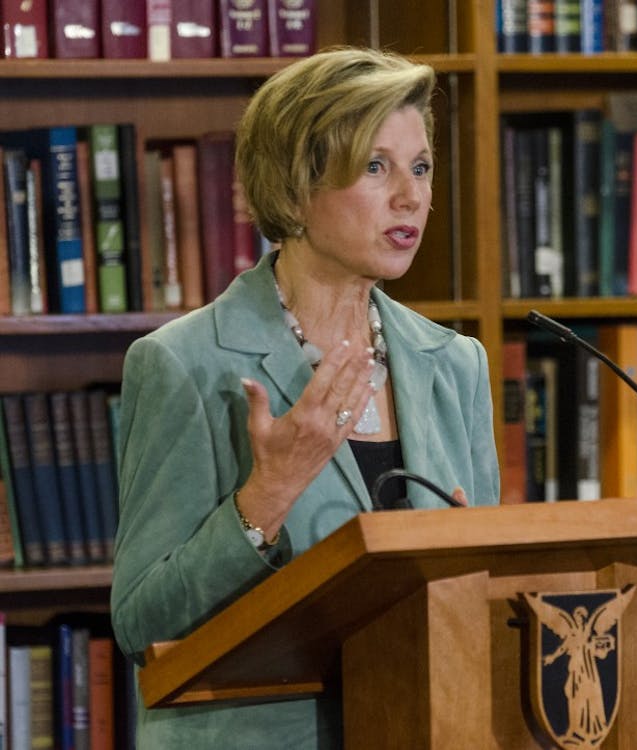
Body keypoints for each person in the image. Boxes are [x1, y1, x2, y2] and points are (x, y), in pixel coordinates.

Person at [110, 47, 500, 748]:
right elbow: (142, 623)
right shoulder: (184, 364)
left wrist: (471, 569)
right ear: (295, 187)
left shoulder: (455, 365)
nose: (410, 196)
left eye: (420, 167)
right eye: (376, 167)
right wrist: (266, 498)